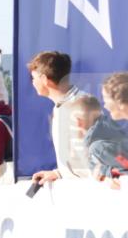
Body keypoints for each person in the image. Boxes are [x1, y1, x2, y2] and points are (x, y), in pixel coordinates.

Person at [28, 51, 89, 183]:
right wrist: (59, 173)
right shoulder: (62, 107)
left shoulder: (81, 106)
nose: (32, 82)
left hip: (89, 193)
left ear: (44, 79)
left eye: (34, 78)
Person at [67, 94, 128, 177]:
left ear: (79, 122)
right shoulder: (109, 129)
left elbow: (125, 166)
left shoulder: (98, 147)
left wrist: (107, 172)